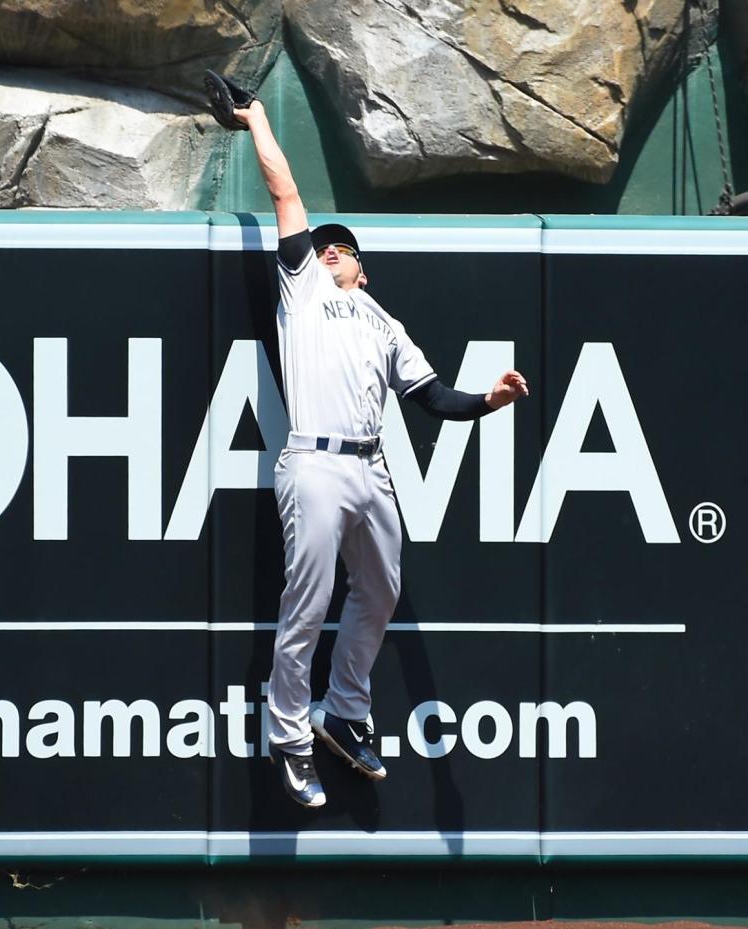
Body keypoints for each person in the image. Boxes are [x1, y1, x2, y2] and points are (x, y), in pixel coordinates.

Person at [234, 99, 529, 808]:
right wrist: (258, 120)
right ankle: (292, 741)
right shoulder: (303, 291)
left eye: (342, 246)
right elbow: (285, 192)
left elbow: (431, 397)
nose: (327, 248)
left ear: (363, 269)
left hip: (372, 467)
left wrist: (489, 401)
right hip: (314, 463)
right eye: (321, 244)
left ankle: (344, 708)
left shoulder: (384, 322)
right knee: (305, 606)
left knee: (382, 590)